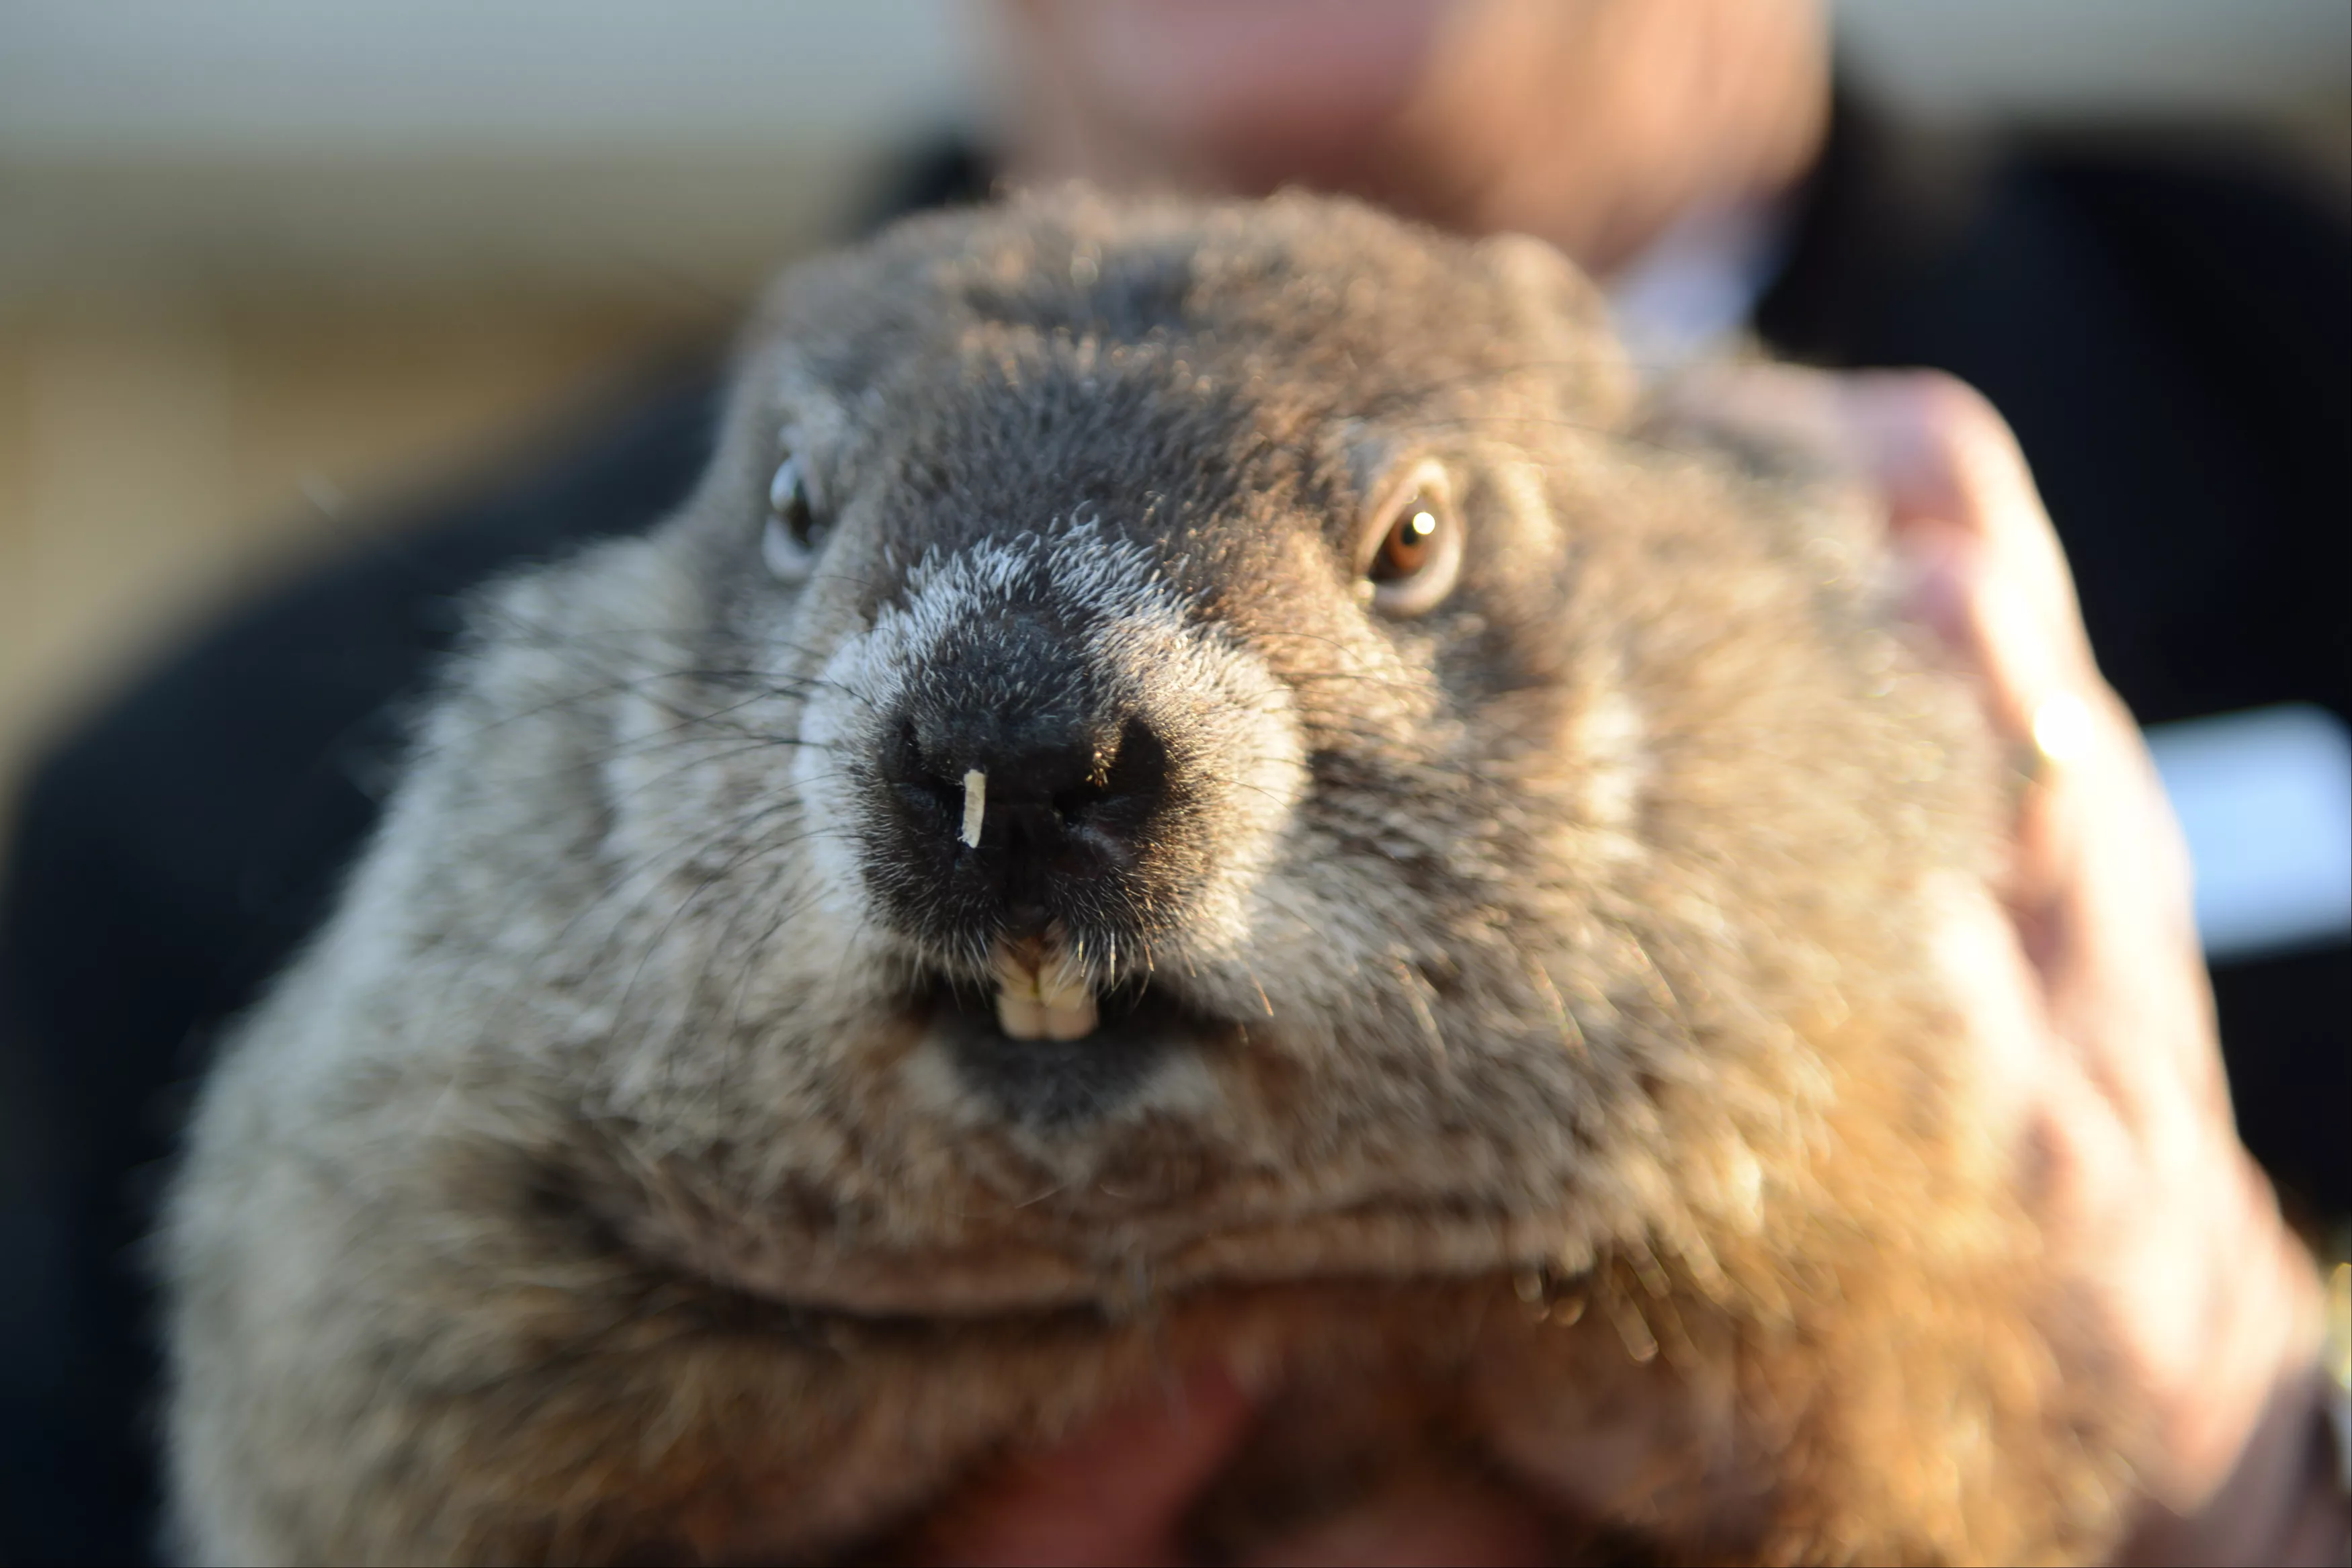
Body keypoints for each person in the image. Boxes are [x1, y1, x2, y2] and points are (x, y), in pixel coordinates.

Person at [2, 2, 2342, 1559]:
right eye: (812, 522)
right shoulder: (187, 827)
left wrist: (2257, 1457)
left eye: (1404, 550)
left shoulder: (2286, 381)